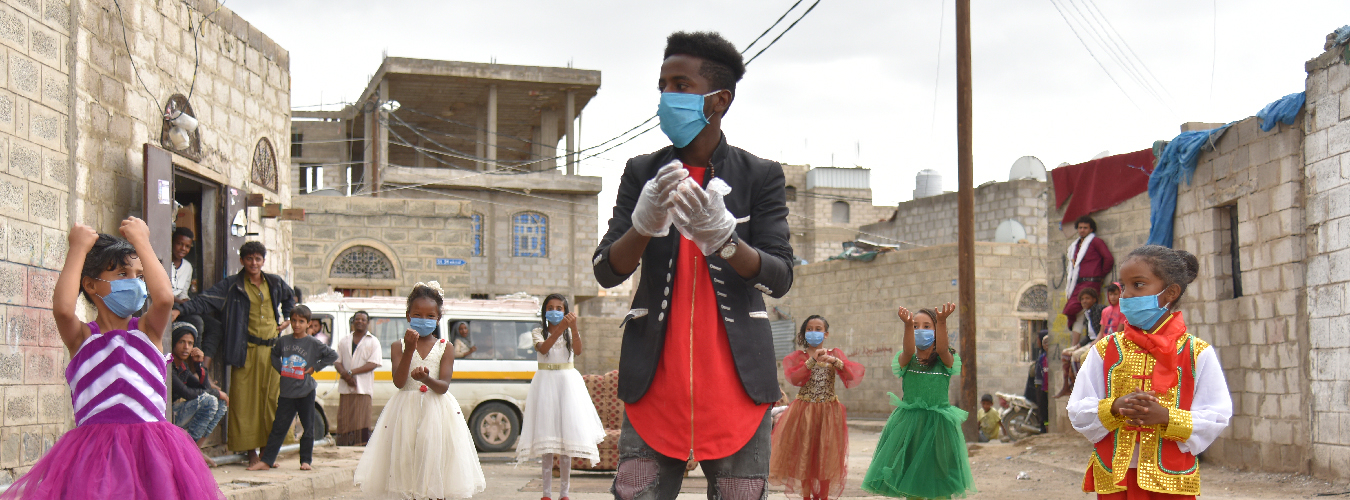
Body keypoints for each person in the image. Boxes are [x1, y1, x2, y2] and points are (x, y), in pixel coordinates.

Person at [592, 31, 794, 500]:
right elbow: (606, 269)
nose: (666, 97)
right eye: (662, 85)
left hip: (737, 389)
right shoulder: (642, 172)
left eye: (680, 85)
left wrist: (725, 241)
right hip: (653, 387)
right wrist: (643, 224)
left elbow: (780, 274)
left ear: (719, 100)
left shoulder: (760, 175)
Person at [0, 218, 222, 499]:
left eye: (139, 276)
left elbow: (164, 298)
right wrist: (78, 248)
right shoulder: (81, 338)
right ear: (91, 285)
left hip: (151, 453)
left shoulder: (148, 331)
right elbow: (63, 309)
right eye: (122, 275)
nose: (135, 284)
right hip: (93, 457)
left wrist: (143, 241)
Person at [1067, 245, 1232, 498]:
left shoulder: (1196, 352)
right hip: (1115, 477)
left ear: (1171, 293)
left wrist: (1166, 416)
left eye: (1139, 285)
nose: (1127, 295)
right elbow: (1078, 408)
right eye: (1124, 286)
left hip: (1171, 480)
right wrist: (1114, 406)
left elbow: (1216, 416)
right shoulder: (1105, 349)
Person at [354, 282, 486, 498]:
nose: (423, 320)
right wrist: (409, 350)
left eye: (429, 316)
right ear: (408, 316)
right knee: (405, 460)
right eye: (418, 315)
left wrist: (426, 378)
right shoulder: (399, 346)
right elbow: (398, 381)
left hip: (437, 412)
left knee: (434, 458)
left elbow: (443, 386)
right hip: (405, 410)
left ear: (438, 318)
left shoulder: (446, 347)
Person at [173, 241, 296, 467]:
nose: (254, 263)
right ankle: (251, 454)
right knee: (245, 402)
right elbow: (204, 300)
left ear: (263, 261)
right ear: (242, 261)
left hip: (272, 351)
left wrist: (287, 316)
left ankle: (268, 453)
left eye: (258, 259)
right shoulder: (232, 285)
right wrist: (179, 310)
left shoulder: (275, 283)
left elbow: (290, 297)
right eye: (249, 259)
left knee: (271, 400)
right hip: (245, 351)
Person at [862, 304, 976, 499]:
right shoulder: (907, 360)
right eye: (916, 326)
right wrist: (907, 325)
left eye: (926, 326)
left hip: (938, 427)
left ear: (936, 330)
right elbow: (907, 349)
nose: (920, 331)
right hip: (909, 428)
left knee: (939, 477)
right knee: (911, 479)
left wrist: (942, 321)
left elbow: (941, 348)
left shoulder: (945, 360)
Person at [516, 294, 607, 500]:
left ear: (566, 311)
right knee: (548, 444)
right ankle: (546, 494)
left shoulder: (569, 332)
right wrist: (560, 329)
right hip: (545, 383)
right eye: (551, 307)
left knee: (566, 444)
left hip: (567, 385)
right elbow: (544, 348)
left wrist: (573, 328)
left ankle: (564, 493)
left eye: (559, 308)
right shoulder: (538, 332)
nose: (555, 311)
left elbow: (579, 350)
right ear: (544, 311)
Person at [768, 315, 864, 500]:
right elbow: (795, 379)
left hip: (829, 412)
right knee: (804, 453)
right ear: (804, 333)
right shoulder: (798, 357)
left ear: (826, 334)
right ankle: (806, 496)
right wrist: (812, 361)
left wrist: (836, 361)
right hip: (804, 411)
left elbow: (851, 376)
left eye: (818, 329)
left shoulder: (834, 353)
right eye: (810, 329)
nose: (814, 332)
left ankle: (824, 496)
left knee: (826, 456)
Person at [248, 305, 338, 471]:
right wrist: (280, 368)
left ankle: (306, 461)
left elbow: (332, 355)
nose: (297, 325)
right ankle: (267, 461)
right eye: (294, 321)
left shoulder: (312, 343)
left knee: (308, 426)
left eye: (301, 321)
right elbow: (274, 355)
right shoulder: (283, 341)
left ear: (308, 324)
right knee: (279, 427)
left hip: (306, 391)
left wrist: (314, 368)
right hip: (287, 392)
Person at [170, 322, 229, 447]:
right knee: (210, 401)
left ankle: (196, 448)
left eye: (190, 343)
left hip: (177, 415)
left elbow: (204, 387)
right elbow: (186, 393)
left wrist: (198, 365)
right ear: (173, 342)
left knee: (220, 404)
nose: (186, 347)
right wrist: (217, 393)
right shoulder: (168, 366)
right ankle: (189, 447)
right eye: (181, 342)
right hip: (166, 416)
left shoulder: (182, 366)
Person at [335, 310, 381, 446]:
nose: (360, 321)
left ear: (368, 323)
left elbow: (373, 363)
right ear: (353, 322)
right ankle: (343, 445)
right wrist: (345, 375)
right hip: (346, 386)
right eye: (357, 319)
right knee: (344, 418)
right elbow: (337, 361)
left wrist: (351, 373)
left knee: (361, 419)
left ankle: (359, 446)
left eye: (363, 320)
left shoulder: (373, 341)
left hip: (363, 387)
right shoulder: (344, 340)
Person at [1063, 215, 1115, 327]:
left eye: (1085, 228)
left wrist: (1100, 275)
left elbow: (1108, 259)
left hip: (1091, 282)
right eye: (1080, 227)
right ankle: (1078, 338)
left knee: (1075, 308)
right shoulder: (1075, 246)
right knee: (1070, 308)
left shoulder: (1096, 242)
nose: (1082, 230)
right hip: (1078, 283)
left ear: (1091, 229)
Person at [1057, 288, 1106, 397]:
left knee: (1076, 356)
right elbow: (1088, 335)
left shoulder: (1099, 310)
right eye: (1082, 299)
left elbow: (1100, 332)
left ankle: (1080, 386)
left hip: (1098, 342)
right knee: (1066, 353)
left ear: (1094, 299)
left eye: (1087, 298)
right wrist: (1078, 345)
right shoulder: (1087, 314)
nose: (1084, 301)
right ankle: (1067, 385)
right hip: (1090, 341)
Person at [1024, 330, 1051, 433]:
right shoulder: (1041, 358)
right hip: (1041, 387)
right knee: (1043, 409)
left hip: (1046, 387)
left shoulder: (1049, 358)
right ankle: (1044, 428)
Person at [171, 227, 195, 303]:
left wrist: (188, 302)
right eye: (179, 244)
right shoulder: (163, 263)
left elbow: (183, 293)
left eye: (187, 246)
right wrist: (182, 303)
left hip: (177, 304)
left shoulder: (188, 267)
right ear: (172, 243)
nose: (183, 249)